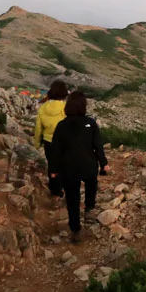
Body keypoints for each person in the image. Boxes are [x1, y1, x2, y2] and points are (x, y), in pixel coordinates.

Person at [50, 91, 109, 243]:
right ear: (83, 106)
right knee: (91, 184)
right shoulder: (91, 123)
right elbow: (98, 146)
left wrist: (53, 170)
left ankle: (75, 229)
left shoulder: (61, 126)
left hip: (68, 168)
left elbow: (55, 150)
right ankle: (89, 208)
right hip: (88, 165)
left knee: (72, 198)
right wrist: (103, 163)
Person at [33, 79, 69, 196]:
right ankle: (62, 187)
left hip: (49, 142)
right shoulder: (66, 108)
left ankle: (54, 189)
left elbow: (38, 128)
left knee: (52, 165)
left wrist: (37, 144)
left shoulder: (43, 108)